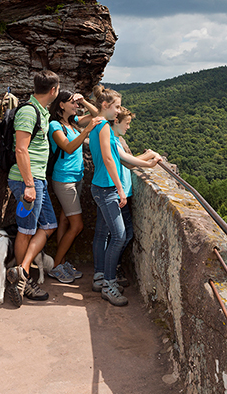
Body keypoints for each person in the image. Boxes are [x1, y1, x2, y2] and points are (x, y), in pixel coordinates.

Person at [5, 70, 61, 307]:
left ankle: (22, 269)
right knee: (26, 230)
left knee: (49, 224)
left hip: (38, 180)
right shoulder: (29, 112)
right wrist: (29, 184)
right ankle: (23, 281)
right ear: (53, 90)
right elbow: (21, 149)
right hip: (26, 181)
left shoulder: (42, 112)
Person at [88, 85, 144, 307]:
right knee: (119, 236)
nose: (119, 111)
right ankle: (109, 285)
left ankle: (100, 277)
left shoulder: (99, 125)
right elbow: (109, 159)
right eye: (117, 106)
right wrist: (121, 189)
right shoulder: (102, 126)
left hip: (101, 186)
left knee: (102, 233)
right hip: (107, 188)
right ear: (105, 105)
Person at [45, 90, 100, 284]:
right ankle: (56, 266)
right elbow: (68, 147)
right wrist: (86, 131)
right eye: (72, 103)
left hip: (77, 178)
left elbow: (97, 115)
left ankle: (62, 263)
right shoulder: (54, 125)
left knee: (66, 222)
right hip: (64, 180)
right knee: (77, 225)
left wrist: (84, 99)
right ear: (61, 105)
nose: (76, 106)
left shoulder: (73, 123)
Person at [111, 106, 162, 287]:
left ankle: (111, 268)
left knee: (122, 234)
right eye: (127, 123)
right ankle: (112, 269)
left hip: (123, 191)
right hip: (118, 192)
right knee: (122, 235)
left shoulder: (115, 138)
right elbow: (127, 161)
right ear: (116, 122)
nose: (128, 127)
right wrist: (149, 159)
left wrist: (147, 156)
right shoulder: (113, 140)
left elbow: (126, 161)